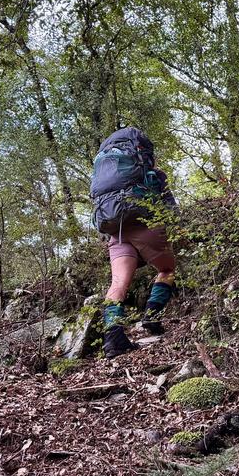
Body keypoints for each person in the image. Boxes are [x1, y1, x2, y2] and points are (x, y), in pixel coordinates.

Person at [90, 127, 177, 358]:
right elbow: (170, 209)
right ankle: (152, 316)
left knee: (118, 283)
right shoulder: (154, 176)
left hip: (115, 230)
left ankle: (113, 339)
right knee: (167, 269)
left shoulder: (109, 181)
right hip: (143, 223)